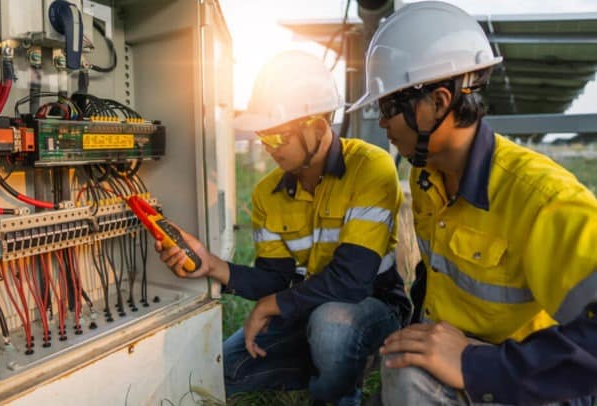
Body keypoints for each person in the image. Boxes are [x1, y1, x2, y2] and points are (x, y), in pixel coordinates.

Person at [347, 2, 597, 405]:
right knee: (403, 364)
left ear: (438, 102)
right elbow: (435, 276)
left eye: (388, 106)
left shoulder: (542, 200)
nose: (382, 123)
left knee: (409, 377)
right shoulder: (426, 175)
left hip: (533, 380)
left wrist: (474, 365)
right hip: (468, 352)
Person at [155, 50, 410, 405]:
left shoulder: (371, 168)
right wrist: (213, 265)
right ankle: (329, 363)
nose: (268, 147)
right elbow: (276, 278)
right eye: (264, 136)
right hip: (305, 308)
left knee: (332, 325)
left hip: (371, 306)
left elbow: (352, 281)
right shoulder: (267, 193)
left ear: (318, 127)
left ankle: (340, 386)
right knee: (224, 371)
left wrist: (270, 306)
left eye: (279, 137)